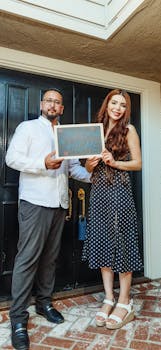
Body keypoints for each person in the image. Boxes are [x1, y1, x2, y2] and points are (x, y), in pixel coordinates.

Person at [5, 88, 91, 350]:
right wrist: (42, 163)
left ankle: (44, 304)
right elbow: (12, 159)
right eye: (49, 101)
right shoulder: (28, 128)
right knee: (27, 259)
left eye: (58, 102)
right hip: (34, 202)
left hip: (59, 205)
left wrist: (92, 173)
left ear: (62, 109)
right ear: (42, 104)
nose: (53, 105)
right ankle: (18, 319)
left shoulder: (68, 135)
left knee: (50, 259)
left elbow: (73, 168)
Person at [82, 89, 143, 330]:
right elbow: (88, 170)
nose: (118, 108)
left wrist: (114, 162)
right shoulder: (94, 128)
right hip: (98, 194)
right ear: (107, 105)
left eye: (123, 105)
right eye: (114, 103)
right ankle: (109, 297)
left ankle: (125, 302)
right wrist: (88, 165)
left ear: (127, 109)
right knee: (102, 242)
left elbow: (138, 163)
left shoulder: (129, 130)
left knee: (121, 243)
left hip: (119, 192)